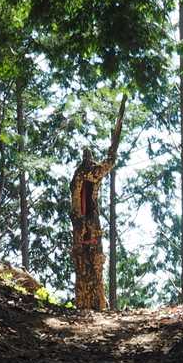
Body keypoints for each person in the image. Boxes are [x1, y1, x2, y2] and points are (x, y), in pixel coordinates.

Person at [70, 96, 126, 310]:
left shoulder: (83, 173)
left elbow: (99, 172)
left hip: (89, 223)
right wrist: (111, 156)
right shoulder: (83, 173)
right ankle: (87, 303)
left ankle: (97, 302)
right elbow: (101, 170)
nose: (88, 158)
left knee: (95, 263)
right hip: (83, 224)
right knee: (85, 265)